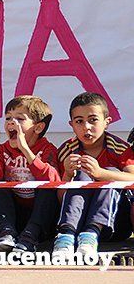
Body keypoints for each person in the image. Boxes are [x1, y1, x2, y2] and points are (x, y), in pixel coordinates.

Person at [51, 92, 134, 259]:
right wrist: (67, 174)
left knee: (112, 173)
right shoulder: (66, 151)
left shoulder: (119, 147)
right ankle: (65, 237)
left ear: (107, 122)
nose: (86, 127)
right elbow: (59, 198)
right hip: (75, 226)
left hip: (115, 225)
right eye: (79, 121)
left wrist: (101, 173)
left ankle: (91, 234)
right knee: (81, 176)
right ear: (71, 125)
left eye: (93, 120)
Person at [0, 95, 60, 252]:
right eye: (8, 118)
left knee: (48, 190)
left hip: (40, 218)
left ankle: (31, 236)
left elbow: (54, 181)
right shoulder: (2, 149)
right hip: (14, 216)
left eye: (19, 119)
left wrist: (25, 150)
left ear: (38, 128)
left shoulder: (48, 149)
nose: (11, 122)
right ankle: (6, 232)